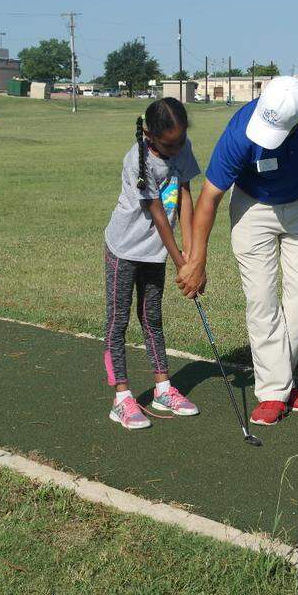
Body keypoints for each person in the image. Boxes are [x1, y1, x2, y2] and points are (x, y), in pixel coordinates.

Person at [176, 76, 298, 427]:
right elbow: (209, 197)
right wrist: (197, 259)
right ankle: (275, 392)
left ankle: (280, 383)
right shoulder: (242, 129)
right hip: (252, 207)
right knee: (262, 299)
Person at [103, 98, 201, 430]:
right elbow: (159, 214)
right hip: (124, 248)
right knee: (118, 320)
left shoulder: (181, 147)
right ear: (149, 134)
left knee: (152, 317)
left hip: (156, 251)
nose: (175, 150)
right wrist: (180, 263)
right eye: (168, 144)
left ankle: (162, 389)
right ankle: (122, 398)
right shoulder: (138, 161)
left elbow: (185, 195)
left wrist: (190, 253)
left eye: (180, 142)